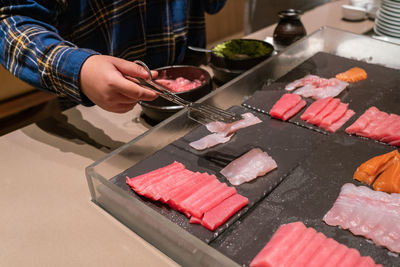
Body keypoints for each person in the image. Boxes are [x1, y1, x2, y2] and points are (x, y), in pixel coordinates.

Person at [0, 0, 226, 113]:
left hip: (191, 95)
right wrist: (78, 69)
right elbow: (10, 20)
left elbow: (212, 5)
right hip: (96, 108)